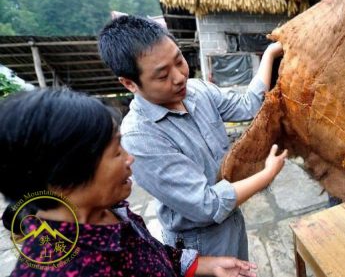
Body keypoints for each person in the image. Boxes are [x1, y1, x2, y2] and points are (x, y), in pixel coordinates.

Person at [0, 89, 258, 277]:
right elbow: (206, 205)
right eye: (115, 152)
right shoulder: (63, 269)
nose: (129, 158)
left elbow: (153, 255)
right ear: (63, 178)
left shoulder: (113, 212)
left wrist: (204, 265)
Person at [98, 15, 287, 260]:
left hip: (232, 219)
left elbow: (247, 105)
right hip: (199, 242)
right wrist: (267, 174)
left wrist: (270, 54)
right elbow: (207, 206)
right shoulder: (139, 138)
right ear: (129, 83)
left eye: (179, 61)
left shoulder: (197, 90)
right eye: (162, 75)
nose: (179, 77)